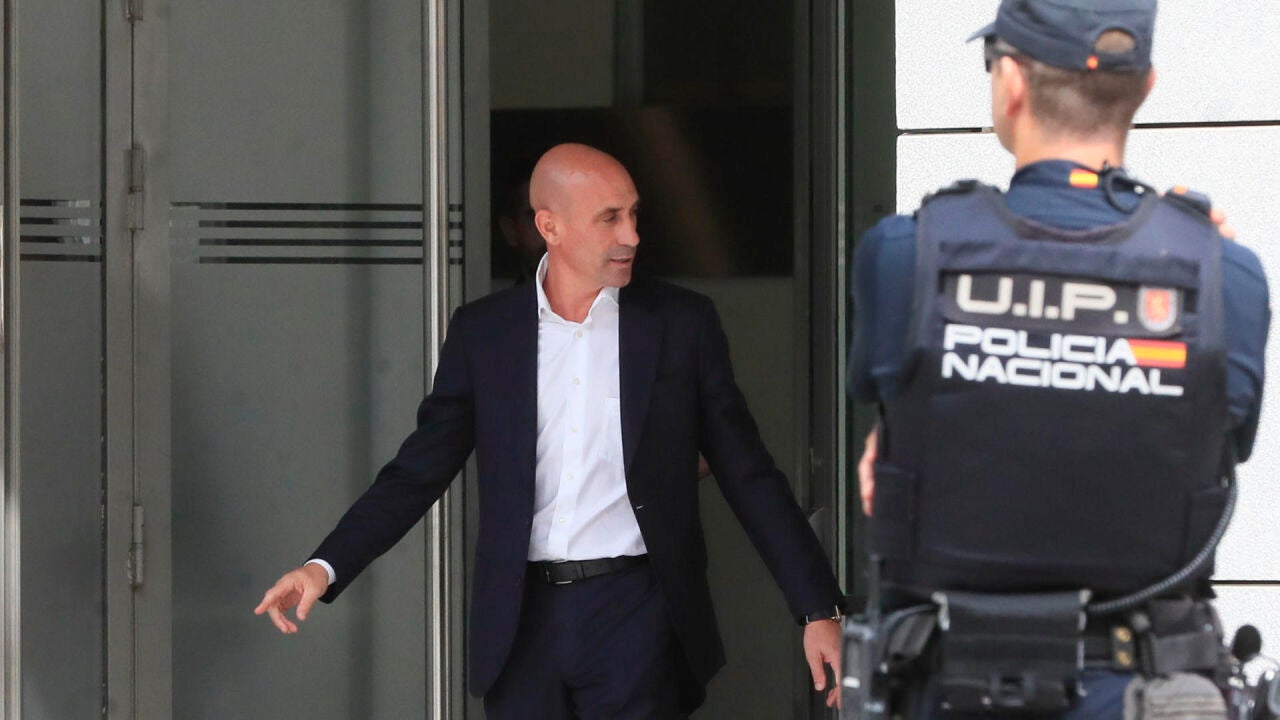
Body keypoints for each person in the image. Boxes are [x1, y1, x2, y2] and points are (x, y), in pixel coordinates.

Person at [256, 143, 845, 718]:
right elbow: (417, 471)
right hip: (520, 624)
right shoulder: (485, 334)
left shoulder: (681, 325)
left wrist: (817, 607)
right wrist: (323, 567)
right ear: (549, 227)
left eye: (634, 214)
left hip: (637, 615)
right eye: (609, 218)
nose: (632, 235)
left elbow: (748, 472)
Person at [847, 1, 1269, 718]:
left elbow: (889, 441)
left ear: (1011, 83)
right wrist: (1205, 263)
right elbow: (1219, 448)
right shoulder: (1227, 278)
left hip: (953, 690)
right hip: (1144, 689)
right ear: (1146, 86)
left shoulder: (902, 256)